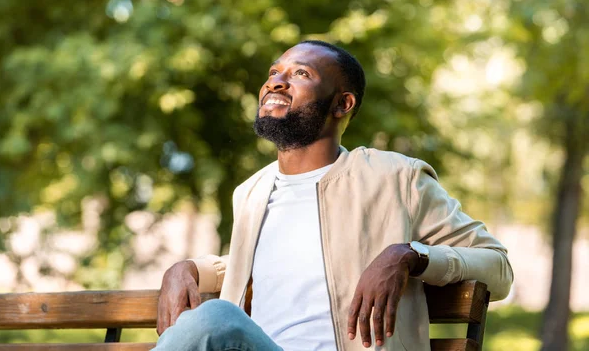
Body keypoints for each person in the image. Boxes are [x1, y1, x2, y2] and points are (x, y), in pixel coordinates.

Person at [152, 40, 513, 351]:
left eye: (300, 74)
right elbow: (273, 265)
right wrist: (190, 269)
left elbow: (498, 268)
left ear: (343, 104)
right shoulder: (252, 192)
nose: (276, 82)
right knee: (217, 318)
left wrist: (410, 256)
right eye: (274, 72)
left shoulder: (396, 178)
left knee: (216, 317)